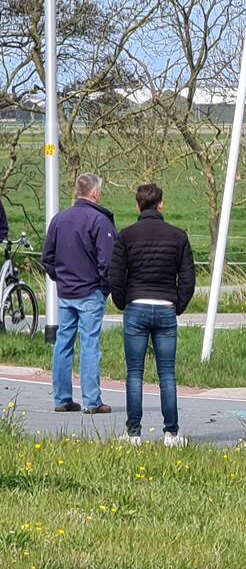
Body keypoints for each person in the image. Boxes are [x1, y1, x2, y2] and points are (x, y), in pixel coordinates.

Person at [108, 184, 195, 447]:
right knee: (167, 373)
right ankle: (171, 433)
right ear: (161, 204)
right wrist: (177, 304)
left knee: (135, 373)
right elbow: (188, 279)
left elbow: (116, 276)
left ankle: (133, 432)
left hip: (137, 306)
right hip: (166, 307)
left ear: (137, 206)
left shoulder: (126, 236)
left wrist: (124, 302)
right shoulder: (178, 236)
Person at [41, 173, 116, 414]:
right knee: (90, 344)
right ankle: (92, 400)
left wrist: (60, 278)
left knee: (63, 343)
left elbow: (47, 258)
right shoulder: (99, 221)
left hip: (65, 292)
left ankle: (62, 398)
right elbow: (107, 261)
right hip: (90, 290)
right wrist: (105, 287)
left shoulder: (59, 219)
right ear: (95, 193)